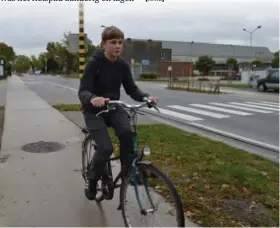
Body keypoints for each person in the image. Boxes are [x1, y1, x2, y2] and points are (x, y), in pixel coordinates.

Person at [78, 26, 158, 200]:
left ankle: (127, 172)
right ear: (103, 44)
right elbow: (82, 91)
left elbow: (132, 89)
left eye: (120, 42)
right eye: (113, 42)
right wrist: (92, 98)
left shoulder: (122, 65)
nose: (118, 46)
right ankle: (91, 180)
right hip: (94, 112)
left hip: (114, 108)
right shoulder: (94, 63)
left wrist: (146, 98)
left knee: (127, 133)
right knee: (106, 148)